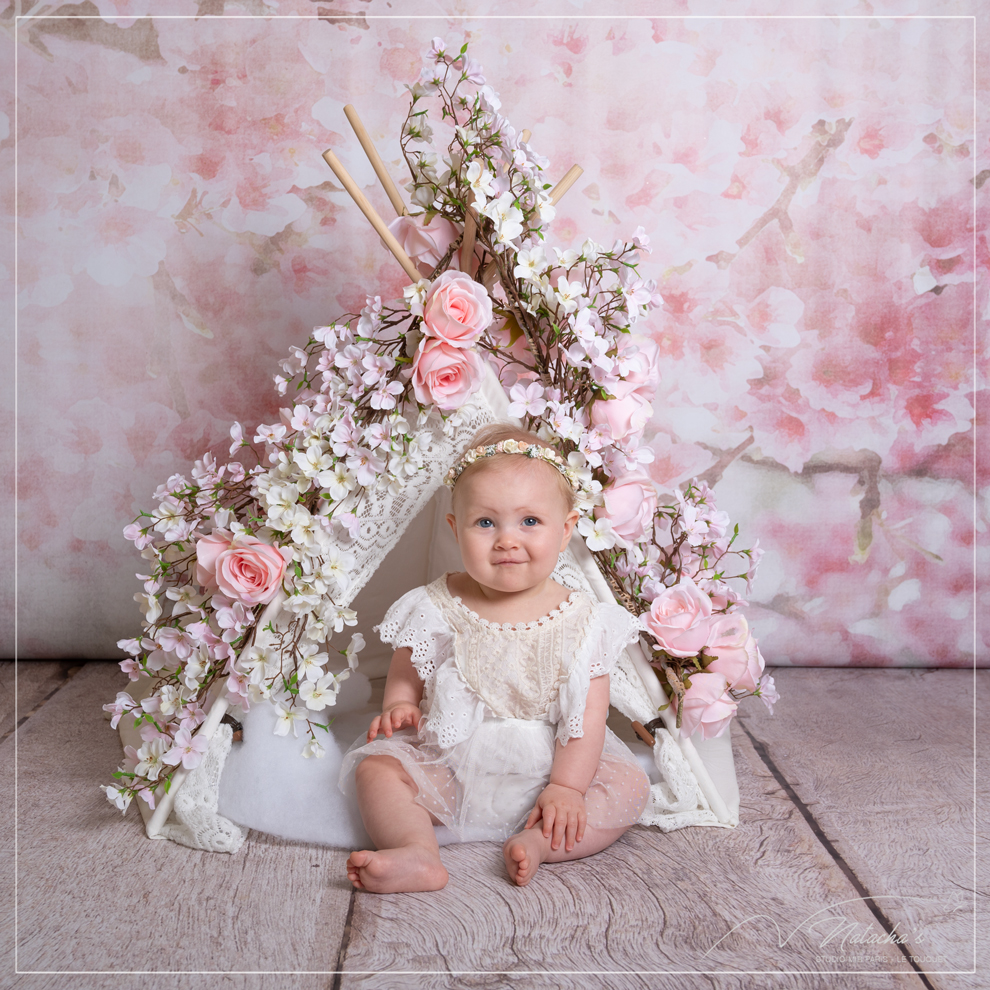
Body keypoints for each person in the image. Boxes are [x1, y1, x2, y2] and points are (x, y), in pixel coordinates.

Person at [339, 424, 651, 892]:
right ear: (455, 529)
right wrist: (399, 705)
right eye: (485, 523)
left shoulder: (585, 620)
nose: (506, 540)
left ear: (566, 530)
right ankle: (417, 852)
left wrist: (566, 788)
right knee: (377, 771)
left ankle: (541, 843)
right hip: (454, 764)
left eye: (529, 522)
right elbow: (409, 666)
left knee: (629, 789)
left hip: (552, 769)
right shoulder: (435, 604)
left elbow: (587, 717)